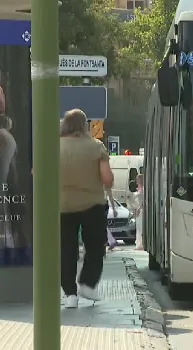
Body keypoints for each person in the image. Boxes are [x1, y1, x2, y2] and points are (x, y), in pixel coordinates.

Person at [60, 109, 115, 308]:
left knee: (66, 250)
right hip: (92, 204)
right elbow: (107, 179)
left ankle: (70, 295)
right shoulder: (96, 146)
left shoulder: (52, 146)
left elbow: (37, 174)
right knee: (94, 247)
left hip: (62, 206)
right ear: (85, 125)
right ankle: (87, 284)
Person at [130, 174, 144, 250]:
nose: (137, 181)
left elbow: (143, 201)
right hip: (137, 209)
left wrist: (138, 208)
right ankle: (139, 243)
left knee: (141, 227)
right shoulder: (138, 188)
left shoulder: (143, 188)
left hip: (142, 210)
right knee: (138, 227)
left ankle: (141, 244)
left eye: (138, 179)